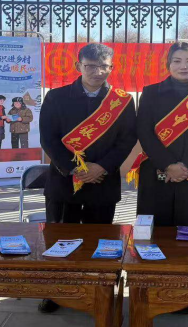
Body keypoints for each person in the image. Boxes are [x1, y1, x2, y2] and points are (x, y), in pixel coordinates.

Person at [38, 42, 137, 313]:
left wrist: (100, 167)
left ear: (112, 68)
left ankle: (99, 289)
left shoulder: (122, 101)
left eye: (103, 66)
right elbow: (48, 138)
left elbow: (127, 140)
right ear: (78, 66)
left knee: (101, 239)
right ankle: (57, 291)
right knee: (60, 238)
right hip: (64, 181)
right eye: (90, 66)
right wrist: (75, 168)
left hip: (102, 181)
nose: (97, 72)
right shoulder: (56, 97)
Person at [132, 41, 188, 228]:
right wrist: (168, 165)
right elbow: (144, 132)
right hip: (157, 169)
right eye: (177, 61)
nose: (184, 66)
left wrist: (185, 165)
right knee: (155, 231)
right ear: (168, 64)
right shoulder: (151, 93)